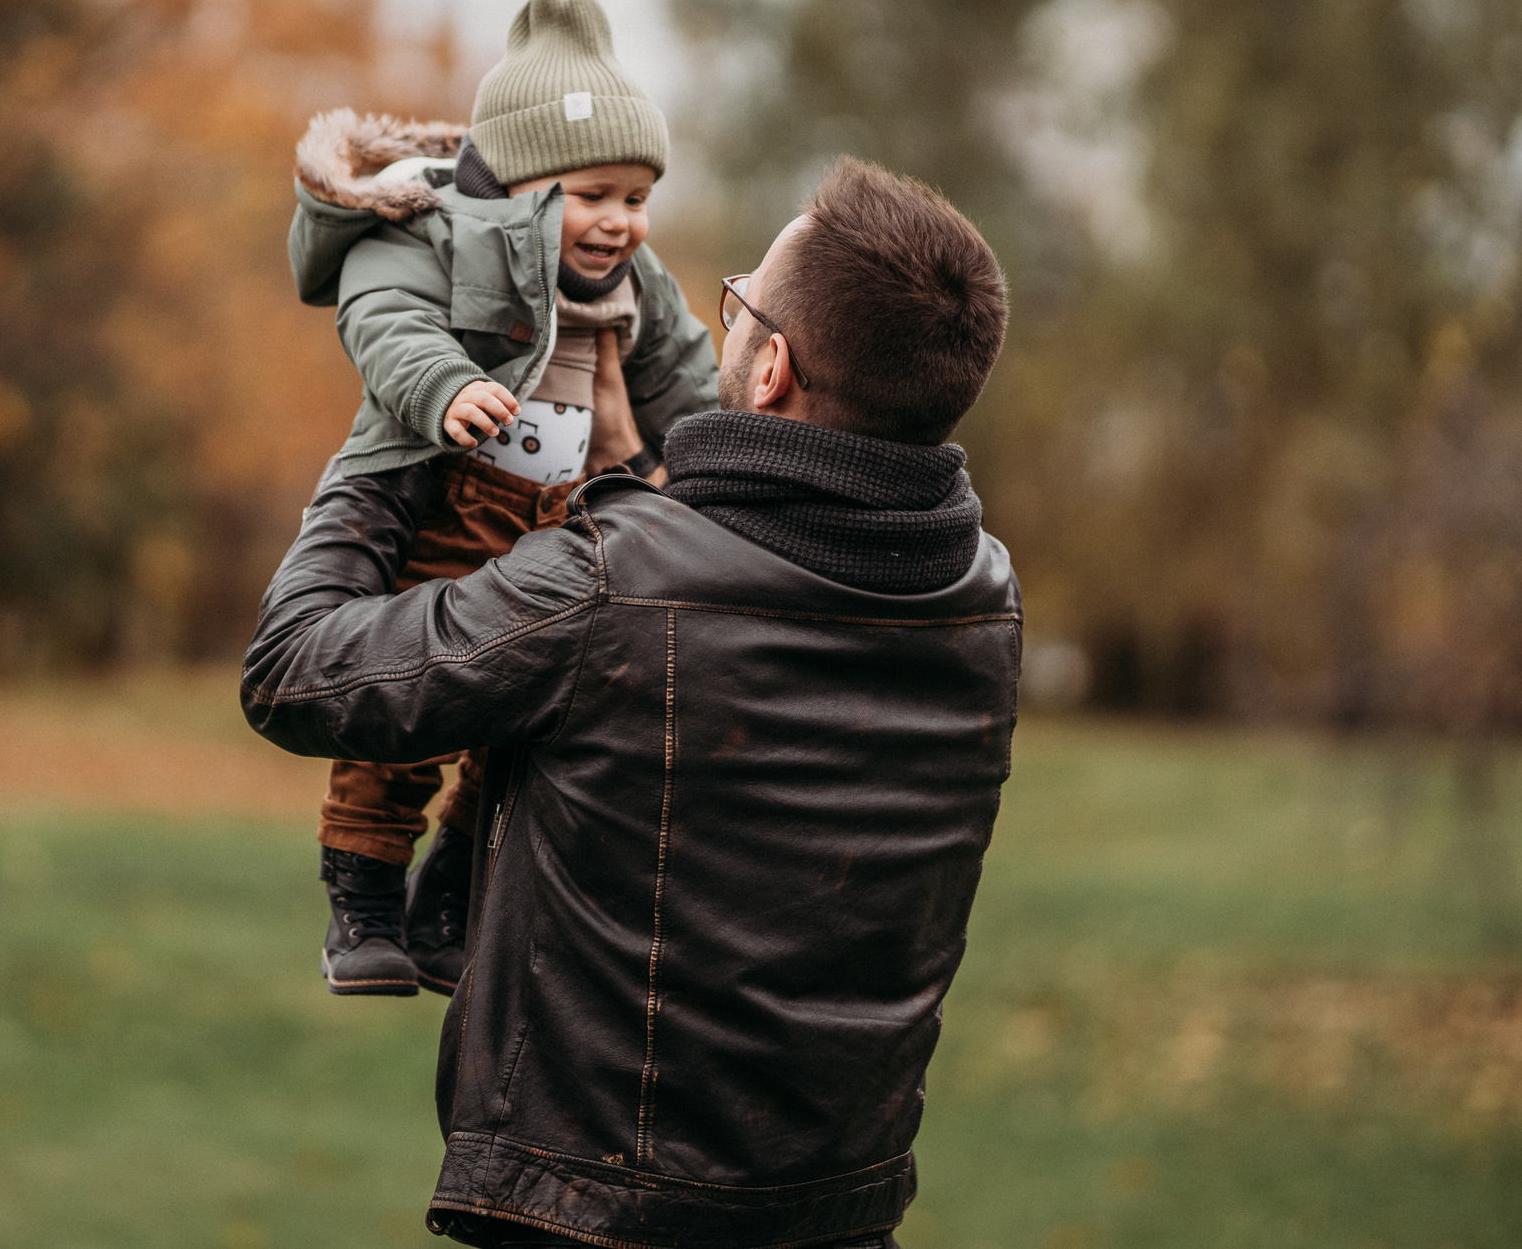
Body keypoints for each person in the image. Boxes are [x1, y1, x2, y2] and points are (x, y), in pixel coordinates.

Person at [244, 158, 1019, 1249]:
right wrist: (641, 485)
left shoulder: (616, 582)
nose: (727, 319)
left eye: (738, 305)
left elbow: (295, 672)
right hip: (839, 1207)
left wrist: (393, 432)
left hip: (600, 1215)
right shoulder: (983, 600)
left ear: (770, 372)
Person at [286, 0, 719, 996]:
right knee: (408, 696)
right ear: (522, 186)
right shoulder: (436, 229)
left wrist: (717, 459)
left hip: (559, 515)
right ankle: (362, 897)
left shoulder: (633, 286)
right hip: (453, 494)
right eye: (595, 194)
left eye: (638, 197)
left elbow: (687, 382)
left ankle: (450, 894)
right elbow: (383, 315)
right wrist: (444, 388)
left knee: (521, 711)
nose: (622, 223)